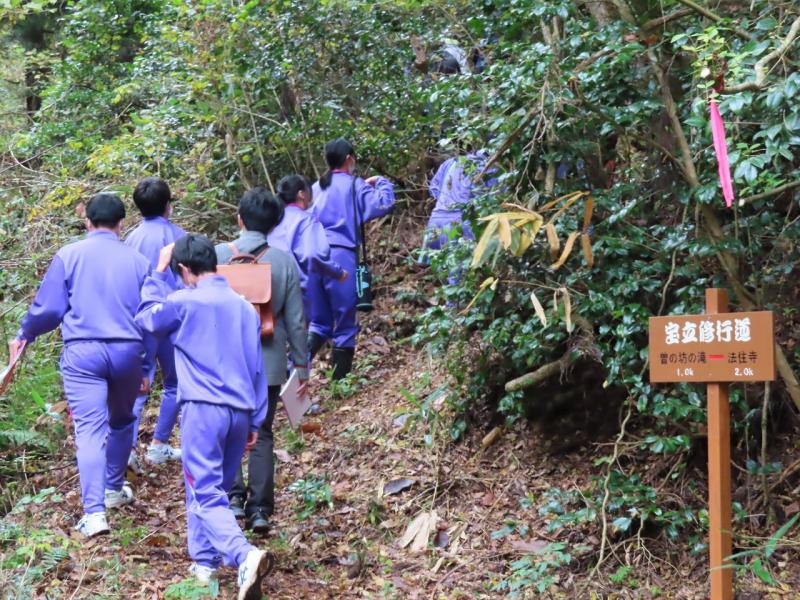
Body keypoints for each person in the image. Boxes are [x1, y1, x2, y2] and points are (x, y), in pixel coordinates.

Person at [135, 235, 271, 599]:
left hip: (203, 409)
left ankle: (243, 556)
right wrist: (255, 419)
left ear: (183, 269)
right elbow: (256, 367)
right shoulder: (244, 308)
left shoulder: (183, 301)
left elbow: (146, 319)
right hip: (239, 411)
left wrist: (157, 273)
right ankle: (204, 562)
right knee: (213, 489)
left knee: (204, 490)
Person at [9, 193, 150, 538]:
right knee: (122, 420)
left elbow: (48, 310)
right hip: (128, 351)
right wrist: (146, 365)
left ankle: (95, 514)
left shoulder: (68, 255)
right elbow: (151, 317)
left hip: (83, 352)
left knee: (89, 430)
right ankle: (113, 489)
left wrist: (26, 333)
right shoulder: (139, 261)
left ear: (87, 221)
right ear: (122, 223)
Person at [215, 187, 308, 533]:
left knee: (228, 430)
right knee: (263, 432)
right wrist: (302, 366)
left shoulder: (218, 255)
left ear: (239, 219)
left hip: (224, 360)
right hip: (267, 360)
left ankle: (232, 498)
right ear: (274, 224)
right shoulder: (283, 261)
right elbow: (296, 321)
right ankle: (260, 511)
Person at [307, 138, 395, 379]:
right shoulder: (355, 185)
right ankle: (339, 384)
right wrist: (381, 182)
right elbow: (383, 204)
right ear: (349, 158)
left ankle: (290, 374)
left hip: (312, 257)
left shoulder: (315, 189)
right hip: (340, 255)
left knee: (319, 324)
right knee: (345, 322)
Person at [125, 177, 185, 470]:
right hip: (172, 319)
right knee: (175, 382)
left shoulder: (130, 240)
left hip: (141, 319)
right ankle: (159, 444)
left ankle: (126, 449)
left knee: (139, 384)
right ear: (167, 205)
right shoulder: (179, 237)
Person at [270, 174, 348, 320]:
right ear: (301, 194)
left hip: (272, 290)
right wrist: (338, 272)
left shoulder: (273, 220)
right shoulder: (306, 220)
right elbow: (313, 254)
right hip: (298, 292)